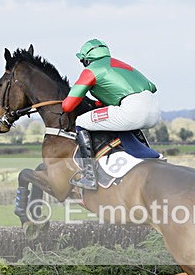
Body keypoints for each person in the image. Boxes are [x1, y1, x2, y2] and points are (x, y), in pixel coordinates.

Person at [62, 39, 160, 190]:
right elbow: (152, 87)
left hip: (131, 110)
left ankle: (89, 176)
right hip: (154, 111)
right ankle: (152, 157)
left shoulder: (91, 70)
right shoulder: (122, 65)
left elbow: (67, 106)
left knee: (81, 121)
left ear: (86, 59)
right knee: (125, 122)